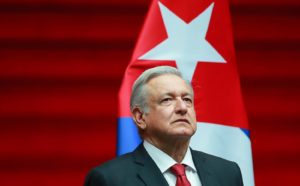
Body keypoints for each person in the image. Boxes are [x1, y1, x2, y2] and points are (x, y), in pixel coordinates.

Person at [84, 66, 244, 186]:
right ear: (140, 117)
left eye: (187, 99)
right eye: (167, 100)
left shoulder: (227, 173)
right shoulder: (109, 179)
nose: (182, 108)